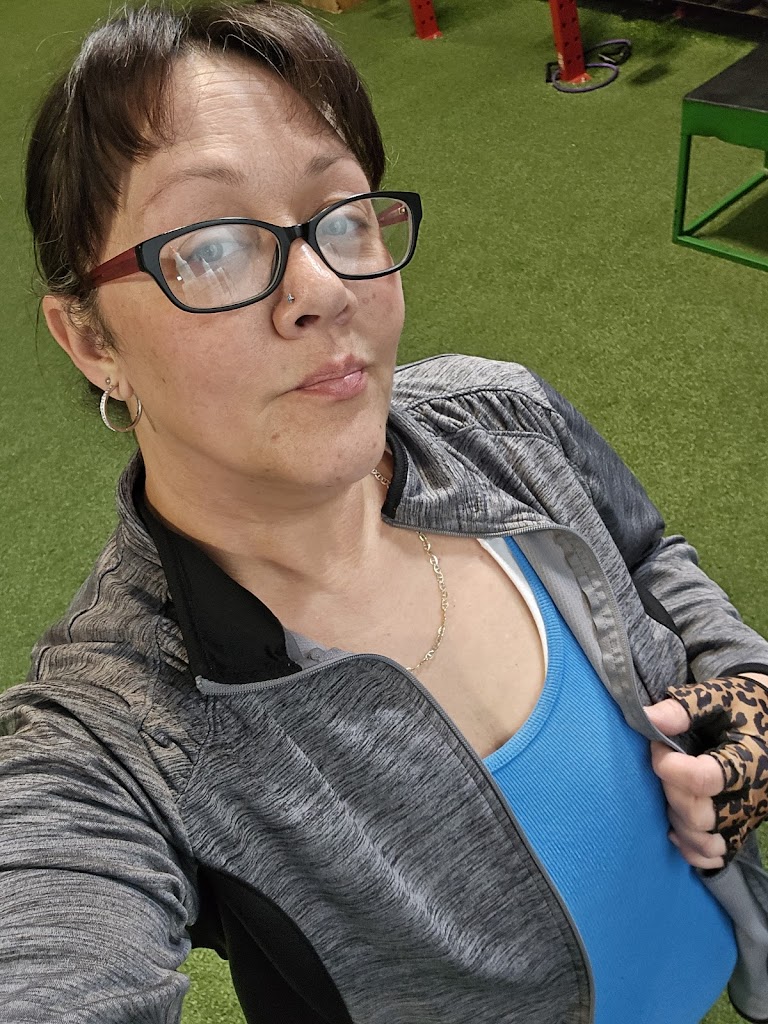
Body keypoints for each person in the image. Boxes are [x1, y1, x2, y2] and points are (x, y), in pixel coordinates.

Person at [5, 2, 768, 1022]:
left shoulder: (501, 415)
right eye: (214, 246)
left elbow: (645, 550)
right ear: (93, 340)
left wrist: (747, 676)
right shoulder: (118, 732)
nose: (324, 288)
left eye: (344, 215)